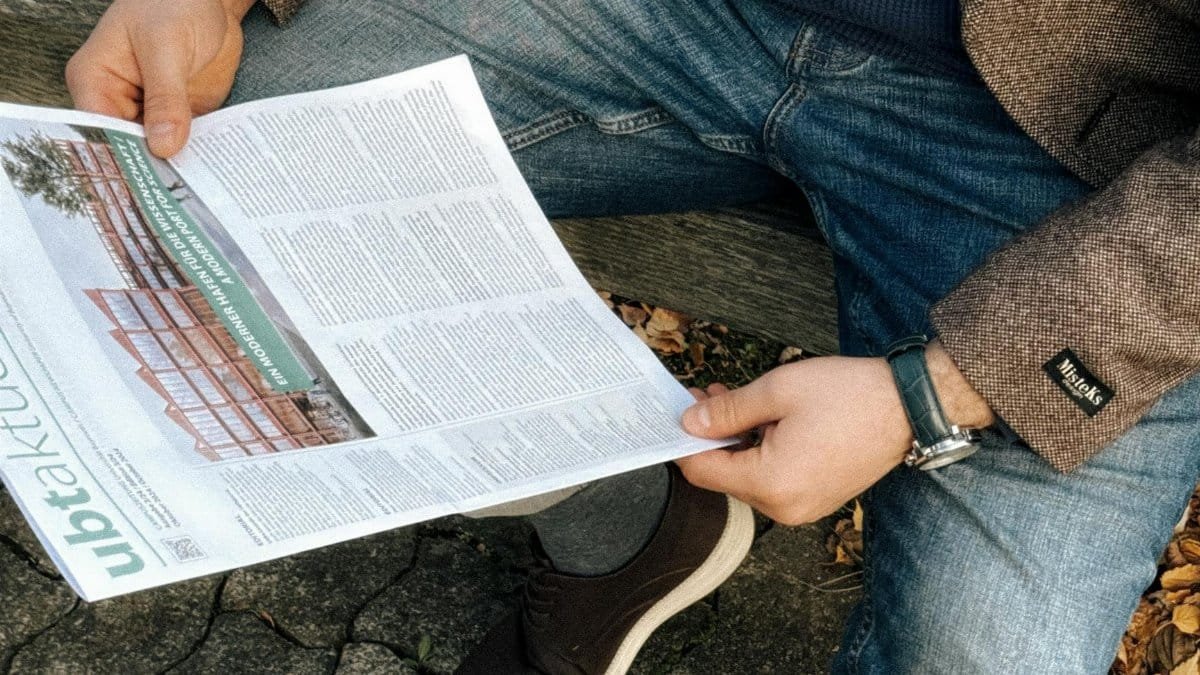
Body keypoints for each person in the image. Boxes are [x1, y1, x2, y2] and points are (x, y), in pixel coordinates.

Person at [65, 0, 1200, 672]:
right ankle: (627, 522)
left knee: (985, 654)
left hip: (1069, 151)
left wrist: (942, 389)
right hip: (661, 15)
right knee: (167, 192)